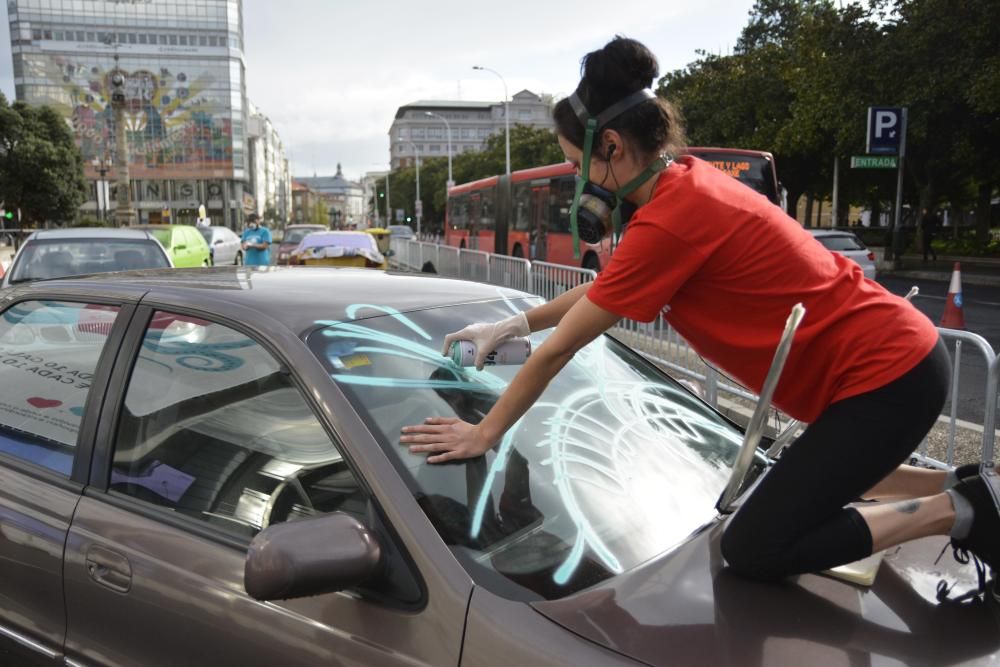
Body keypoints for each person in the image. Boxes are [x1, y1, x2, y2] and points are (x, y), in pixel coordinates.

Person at [399, 36, 999, 588]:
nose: (579, 179)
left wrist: (485, 431)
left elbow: (562, 349)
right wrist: (515, 323)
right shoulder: (683, 184)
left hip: (887, 374)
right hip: (899, 360)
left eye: (576, 163)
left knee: (756, 543)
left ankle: (961, 512)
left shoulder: (671, 219)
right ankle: (969, 487)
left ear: (609, 146)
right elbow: (605, 289)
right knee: (824, 477)